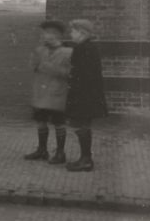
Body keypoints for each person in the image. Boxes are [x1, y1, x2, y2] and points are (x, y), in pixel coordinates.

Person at [25, 18, 73, 163]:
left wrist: (47, 66)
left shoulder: (68, 52)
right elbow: (32, 67)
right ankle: (42, 150)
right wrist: (35, 58)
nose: (43, 36)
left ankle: (60, 153)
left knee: (59, 123)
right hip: (41, 93)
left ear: (55, 35)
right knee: (41, 122)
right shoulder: (40, 50)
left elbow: (68, 73)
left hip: (57, 94)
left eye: (46, 34)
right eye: (44, 34)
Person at [64, 18, 108, 172]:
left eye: (73, 31)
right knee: (83, 125)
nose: (71, 33)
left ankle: (86, 159)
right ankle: (85, 158)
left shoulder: (83, 49)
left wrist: (72, 83)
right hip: (88, 94)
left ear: (81, 33)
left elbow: (83, 74)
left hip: (83, 94)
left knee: (81, 125)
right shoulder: (90, 47)